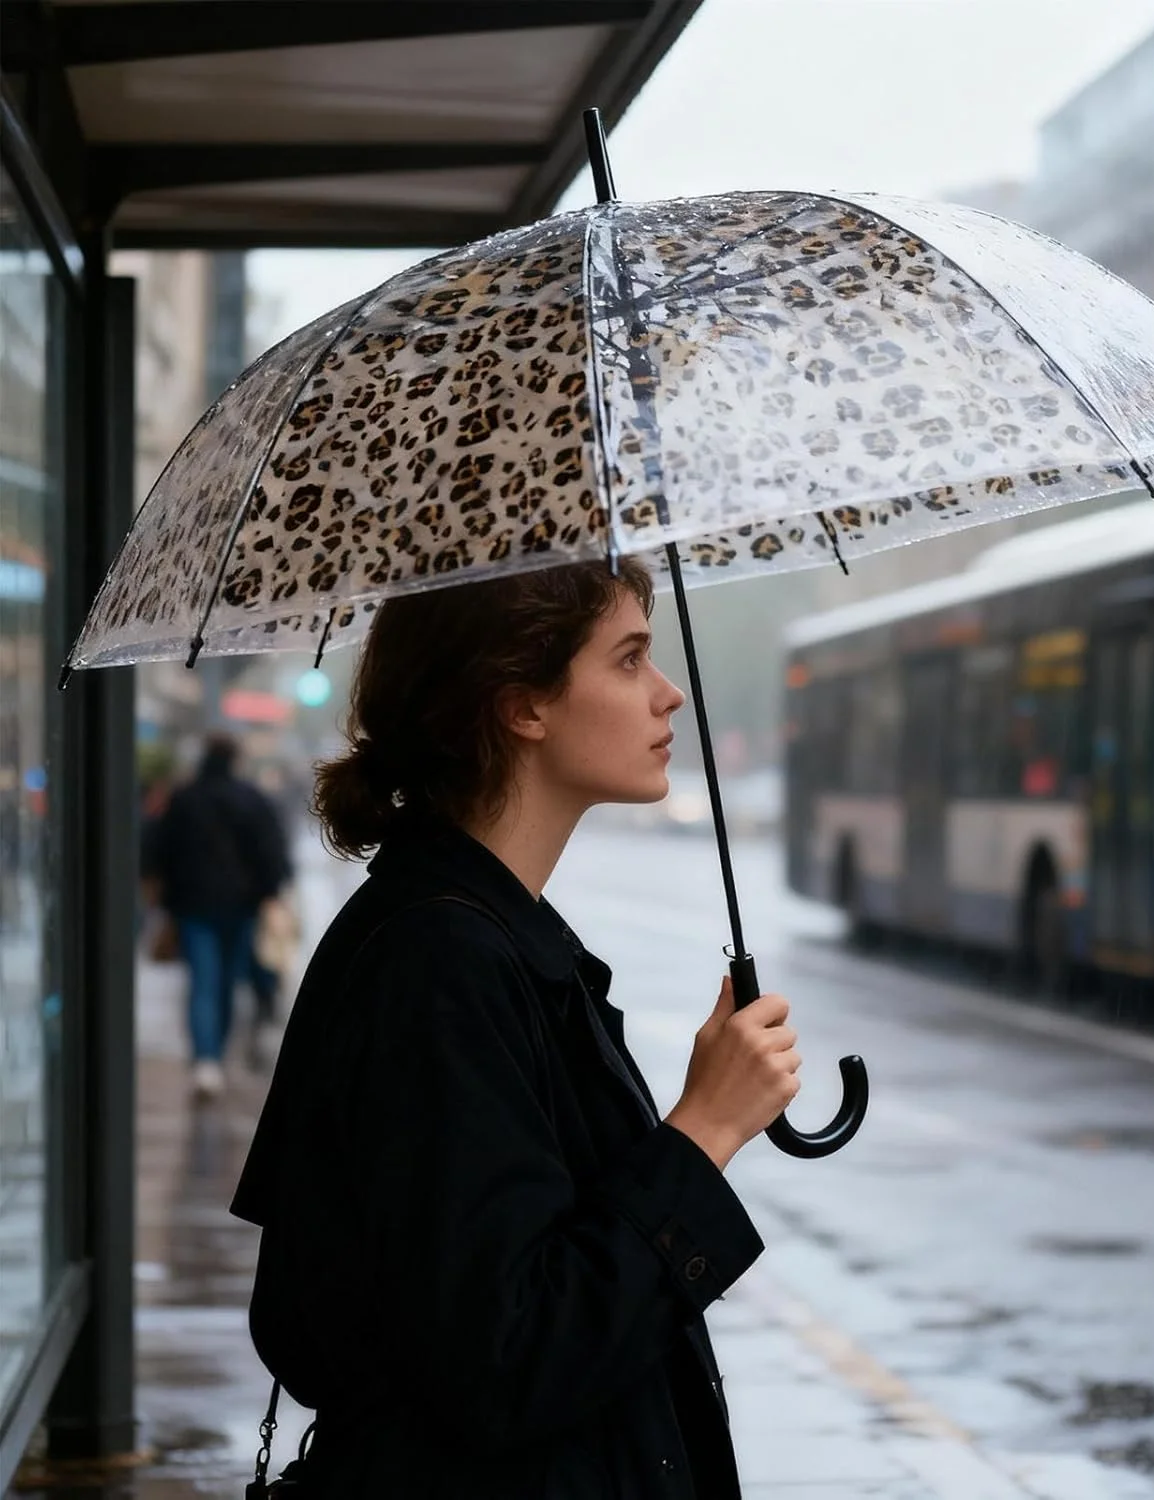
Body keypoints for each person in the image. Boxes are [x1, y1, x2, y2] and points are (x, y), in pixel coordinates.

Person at [230, 560, 800, 1498]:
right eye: (628, 660)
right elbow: (505, 1358)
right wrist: (703, 1133)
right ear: (522, 705)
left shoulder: (486, 934)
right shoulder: (439, 966)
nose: (668, 697)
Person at [147, 731, 292, 1097]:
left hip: (194, 906)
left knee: (203, 981)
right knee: (227, 982)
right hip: (241, 907)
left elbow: (160, 850)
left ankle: (206, 1059)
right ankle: (215, 1055)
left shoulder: (185, 799)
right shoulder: (251, 799)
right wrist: (270, 893)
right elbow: (271, 852)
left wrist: (165, 897)